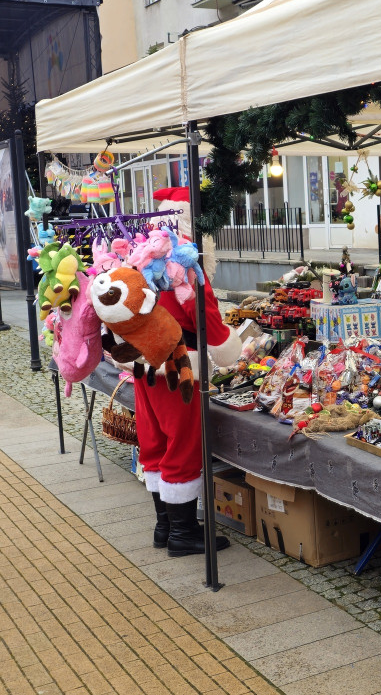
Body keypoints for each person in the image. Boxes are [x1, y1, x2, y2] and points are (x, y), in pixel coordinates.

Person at [136, 187, 241, 556]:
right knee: (182, 444)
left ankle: (164, 527)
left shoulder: (138, 262)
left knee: (154, 444)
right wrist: (231, 348)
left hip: (143, 368)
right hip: (179, 368)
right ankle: (182, 533)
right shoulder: (186, 268)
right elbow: (210, 323)